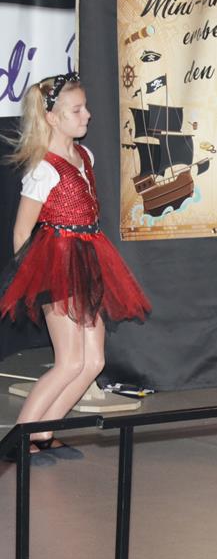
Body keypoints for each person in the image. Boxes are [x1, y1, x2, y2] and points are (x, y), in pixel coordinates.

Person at [1, 73, 151, 465]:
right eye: (77, 110)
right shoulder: (44, 169)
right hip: (57, 263)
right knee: (69, 361)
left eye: (85, 107)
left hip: (88, 258)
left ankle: (44, 433)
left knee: (93, 361)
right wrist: (32, 278)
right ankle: (19, 440)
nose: (87, 115)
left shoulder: (85, 156)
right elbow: (21, 231)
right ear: (52, 118)